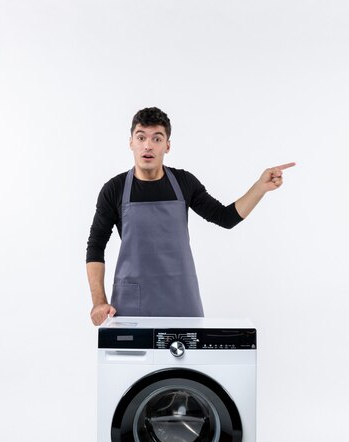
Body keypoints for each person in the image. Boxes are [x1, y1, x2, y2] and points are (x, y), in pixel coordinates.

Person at [86, 107, 295, 325]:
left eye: (157, 138)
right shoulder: (114, 189)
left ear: (167, 145)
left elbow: (226, 218)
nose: (148, 145)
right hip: (132, 302)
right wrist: (98, 302)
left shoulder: (184, 183)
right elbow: (95, 245)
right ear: (131, 142)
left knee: (186, 359)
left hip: (181, 299)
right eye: (141, 137)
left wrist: (260, 187)